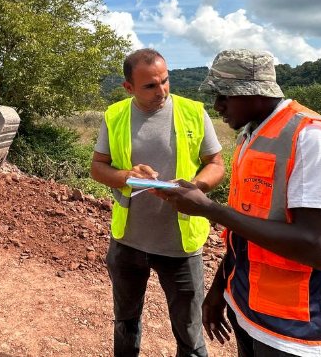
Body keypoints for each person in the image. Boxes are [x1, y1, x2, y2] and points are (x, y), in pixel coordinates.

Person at [152, 49, 321, 357]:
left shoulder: (312, 138)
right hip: (251, 311)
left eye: (224, 96)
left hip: (299, 333)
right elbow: (246, 228)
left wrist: (208, 209)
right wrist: (219, 291)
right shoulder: (251, 136)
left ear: (254, 92)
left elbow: (316, 248)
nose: (218, 106)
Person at [91, 48, 226, 357]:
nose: (161, 91)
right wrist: (127, 175)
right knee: (126, 323)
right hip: (129, 242)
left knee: (190, 335)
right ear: (128, 88)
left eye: (166, 81)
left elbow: (216, 164)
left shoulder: (193, 111)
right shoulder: (115, 115)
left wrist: (194, 188)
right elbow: (98, 167)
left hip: (180, 246)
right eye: (150, 85)